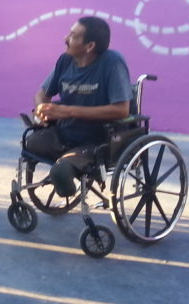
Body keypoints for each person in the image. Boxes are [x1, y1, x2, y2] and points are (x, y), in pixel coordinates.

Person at [27, 16, 134, 197]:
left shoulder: (112, 62)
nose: (65, 39)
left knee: (60, 173)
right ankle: (67, 162)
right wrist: (41, 110)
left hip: (97, 140)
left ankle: (65, 169)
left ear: (89, 46)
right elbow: (42, 94)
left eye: (73, 36)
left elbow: (122, 110)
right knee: (31, 142)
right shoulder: (65, 60)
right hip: (66, 134)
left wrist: (68, 111)